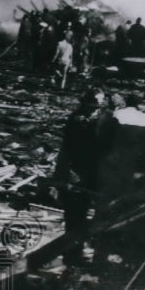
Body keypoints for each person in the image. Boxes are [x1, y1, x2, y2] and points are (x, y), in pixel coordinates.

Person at [53, 87, 118, 263]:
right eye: (95, 103)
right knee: (75, 216)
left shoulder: (94, 119)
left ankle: (75, 253)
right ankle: (72, 255)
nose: (98, 106)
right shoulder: (79, 121)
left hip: (88, 173)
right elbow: (74, 148)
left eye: (100, 102)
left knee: (80, 215)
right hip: (76, 173)